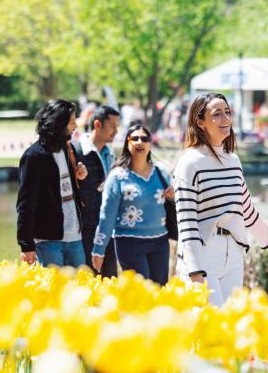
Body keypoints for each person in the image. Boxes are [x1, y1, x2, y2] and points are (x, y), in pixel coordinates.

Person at [173, 93, 268, 306]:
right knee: (211, 328)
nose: (225, 119)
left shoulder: (233, 160)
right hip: (203, 254)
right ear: (200, 122)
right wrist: (195, 272)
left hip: (234, 254)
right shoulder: (189, 163)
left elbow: (247, 211)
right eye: (217, 114)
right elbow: (186, 221)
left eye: (227, 112)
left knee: (231, 326)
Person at [91, 125, 173, 285]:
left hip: (160, 243)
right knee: (141, 294)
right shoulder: (117, 177)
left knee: (160, 292)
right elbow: (106, 216)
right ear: (127, 143)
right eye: (134, 138)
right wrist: (98, 249)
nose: (139, 142)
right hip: (129, 243)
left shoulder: (161, 171)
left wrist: (173, 195)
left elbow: (175, 202)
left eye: (144, 139)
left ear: (150, 144)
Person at [17, 99, 88, 267]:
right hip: (48, 241)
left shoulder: (69, 149)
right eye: (72, 122)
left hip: (75, 238)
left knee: (80, 291)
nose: (75, 126)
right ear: (59, 124)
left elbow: (70, 189)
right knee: (53, 292)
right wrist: (26, 244)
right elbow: (26, 203)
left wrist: (81, 176)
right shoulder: (34, 156)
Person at [72, 105, 120, 277]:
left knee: (110, 282)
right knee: (87, 281)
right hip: (83, 229)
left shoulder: (111, 154)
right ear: (98, 124)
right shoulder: (75, 151)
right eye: (112, 126)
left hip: (108, 228)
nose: (116, 131)